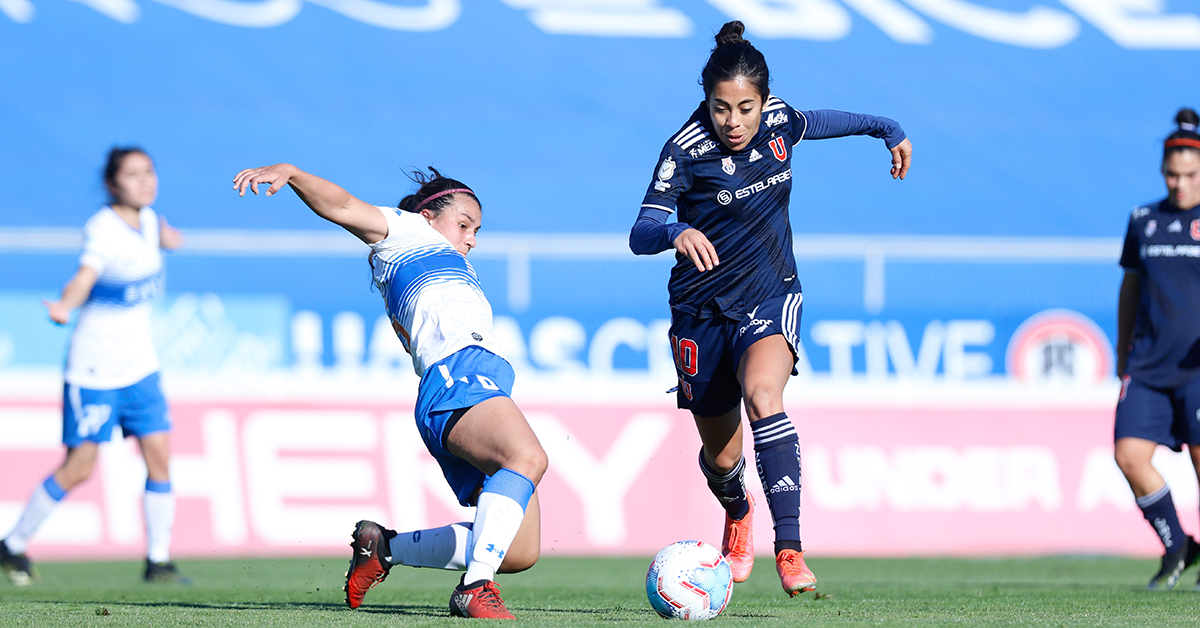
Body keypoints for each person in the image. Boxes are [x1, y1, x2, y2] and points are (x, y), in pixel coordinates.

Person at [629, 21, 912, 597]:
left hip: (769, 291)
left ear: (763, 101)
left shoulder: (780, 122)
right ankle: (738, 512)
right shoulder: (684, 150)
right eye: (720, 107)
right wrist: (676, 231)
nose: (733, 121)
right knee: (720, 453)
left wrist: (887, 128)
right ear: (705, 100)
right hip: (698, 311)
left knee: (764, 397)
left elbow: (828, 122)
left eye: (745, 107)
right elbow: (641, 231)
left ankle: (790, 548)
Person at [233, 163, 546, 620]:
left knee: (517, 550)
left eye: (476, 230)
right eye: (464, 224)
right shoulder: (408, 234)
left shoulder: (438, 261)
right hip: (458, 377)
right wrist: (293, 174)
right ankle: (475, 586)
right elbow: (342, 206)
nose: (472, 238)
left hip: (466, 383)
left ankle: (386, 548)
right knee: (528, 458)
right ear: (426, 218)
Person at [0, 147, 186, 585]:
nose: (145, 181)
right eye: (133, 174)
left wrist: (168, 240)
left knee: (159, 455)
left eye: (149, 172)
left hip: (140, 366)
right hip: (96, 370)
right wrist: (66, 303)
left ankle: (157, 561)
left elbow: (157, 239)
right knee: (79, 467)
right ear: (111, 184)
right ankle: (12, 544)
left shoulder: (149, 220)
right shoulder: (102, 230)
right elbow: (86, 274)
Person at [1115, 107, 1200, 591]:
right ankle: (1177, 547)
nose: (1179, 184)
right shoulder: (1144, 220)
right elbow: (1130, 287)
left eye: (1189, 175)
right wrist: (1123, 348)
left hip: (1197, 368)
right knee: (1128, 456)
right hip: (1146, 364)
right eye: (1172, 174)